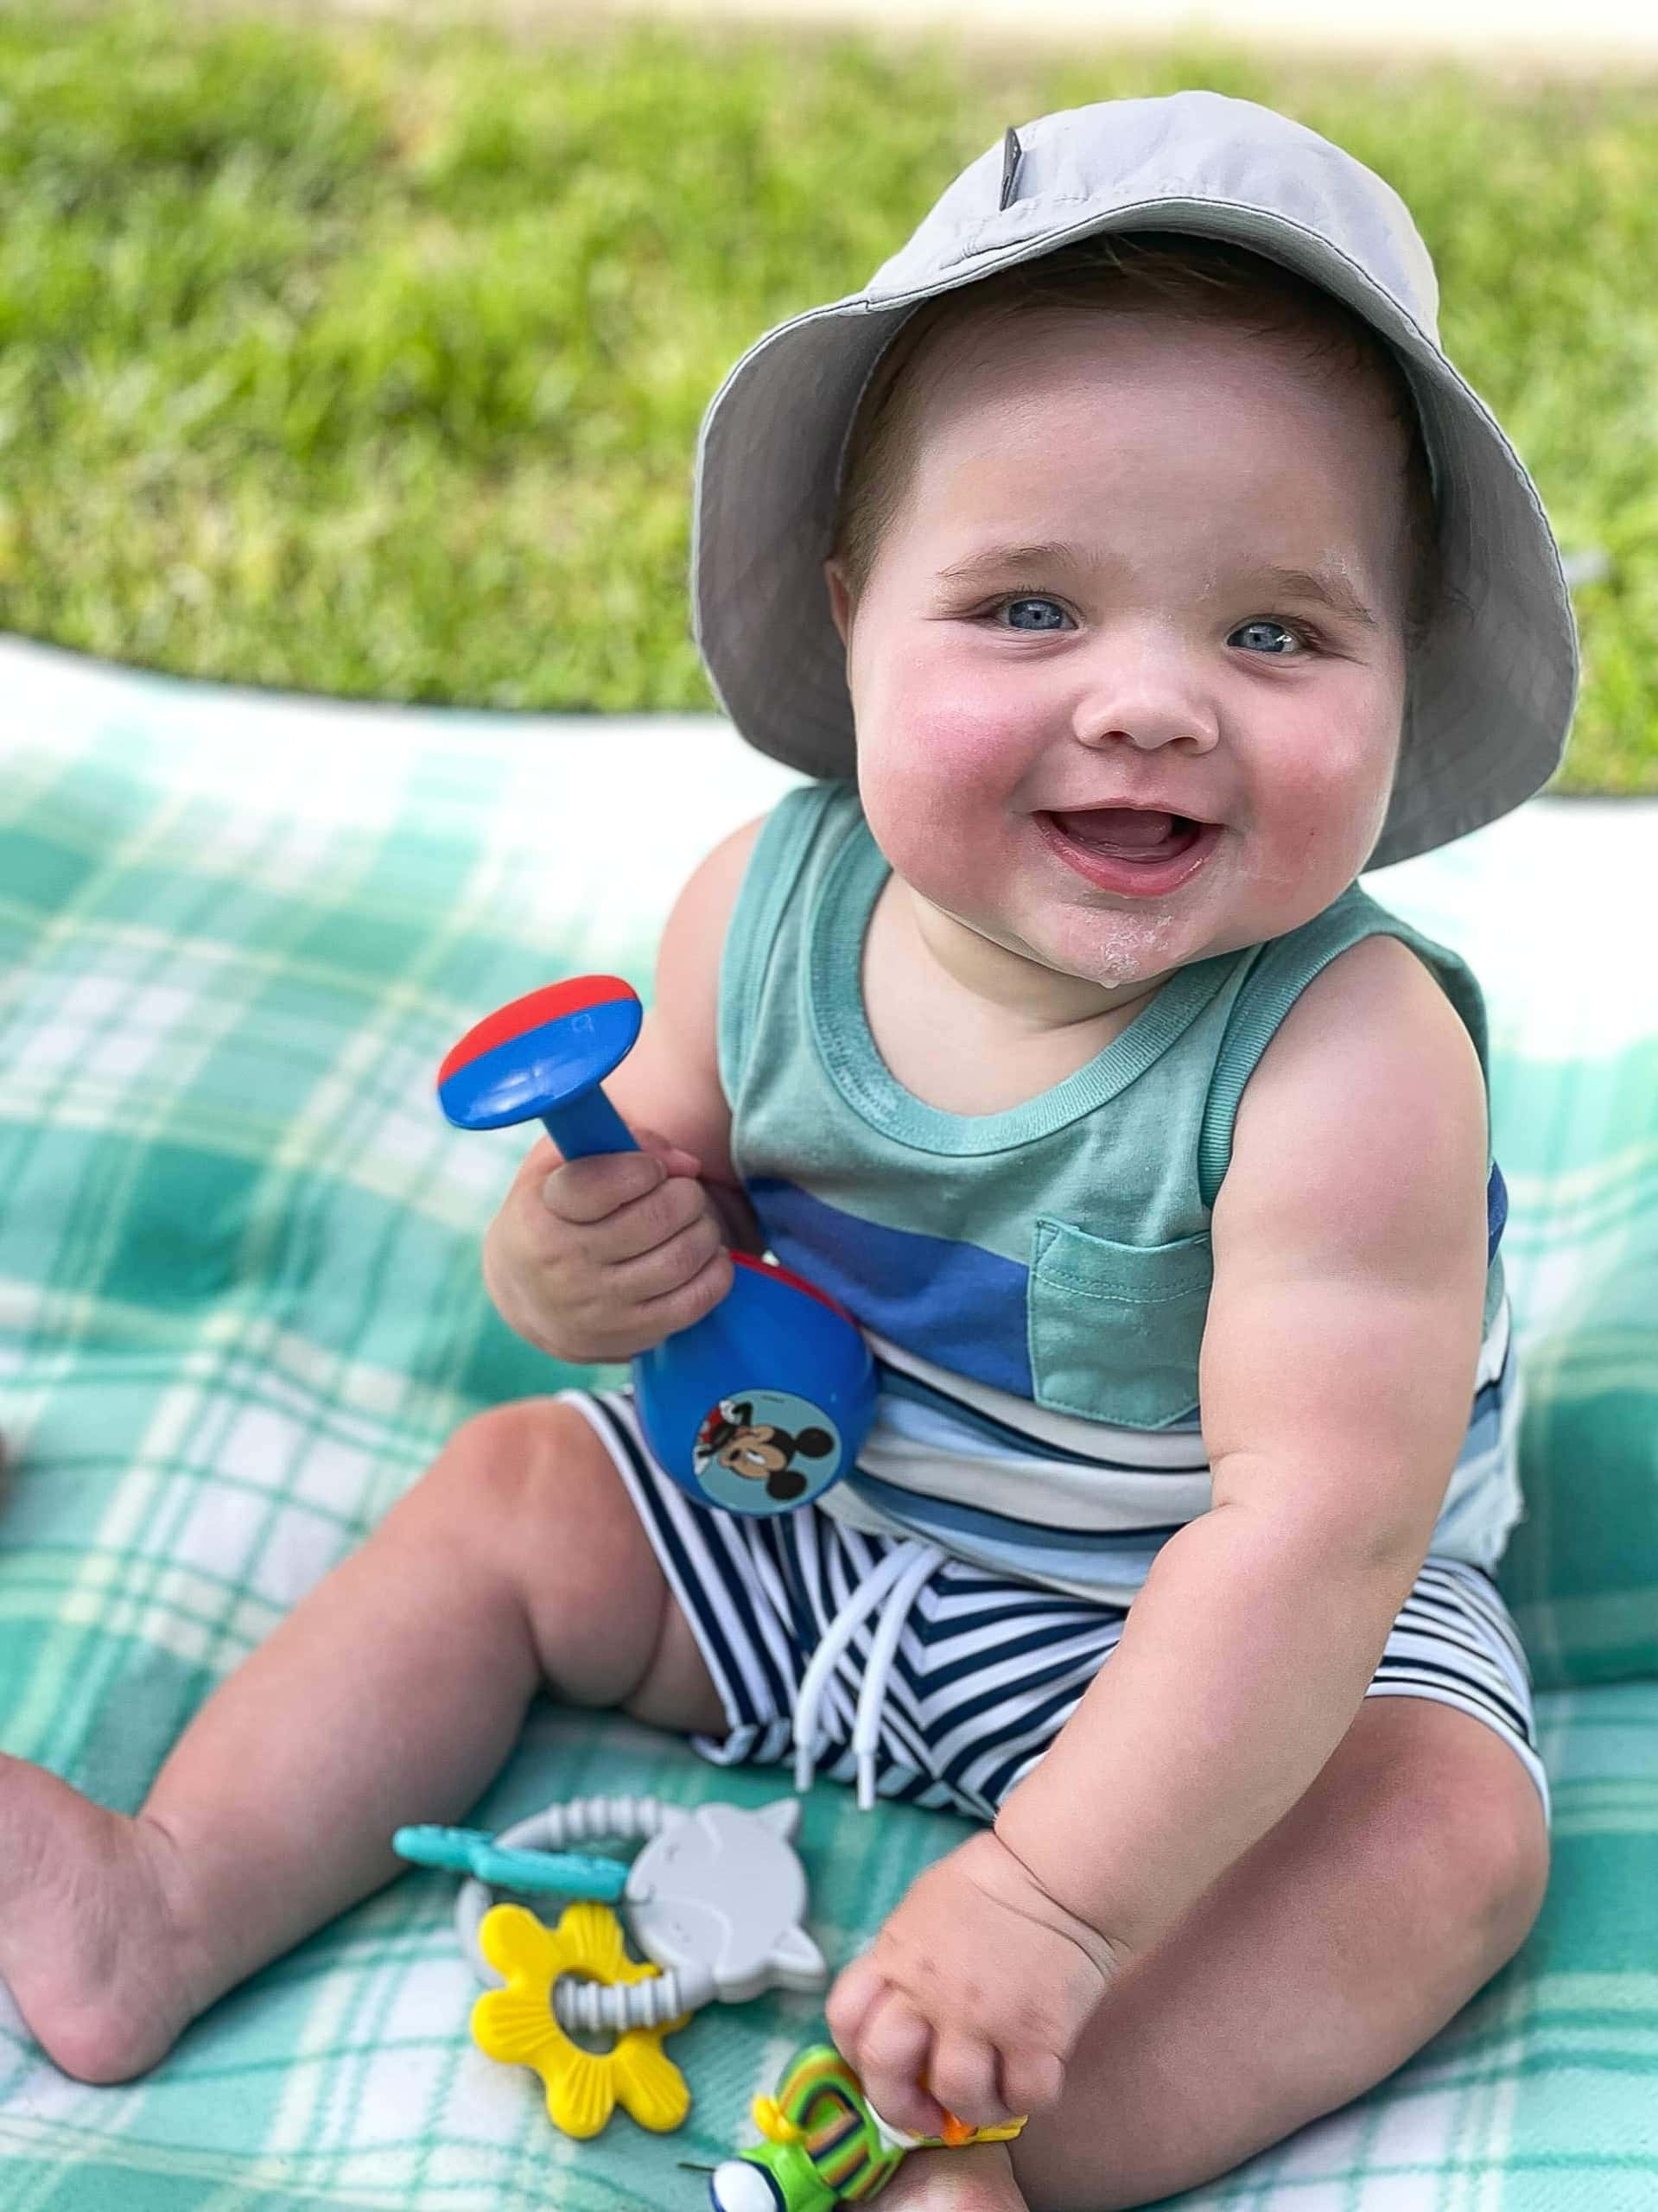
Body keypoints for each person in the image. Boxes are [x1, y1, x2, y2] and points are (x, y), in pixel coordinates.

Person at [0, 91, 1577, 2212]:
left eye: (1274, 632)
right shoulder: (764, 911)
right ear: (850, 622)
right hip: (820, 1530)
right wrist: (569, 1262)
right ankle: (165, 1900)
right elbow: (633, 1202)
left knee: (1445, 1832)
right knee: (511, 1493)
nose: (1149, 703)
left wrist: (1060, 1897)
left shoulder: (1347, 1060)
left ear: (1401, 684)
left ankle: (995, 2151)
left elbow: (1312, 1540)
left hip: (1235, 1649)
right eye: (1028, 606)